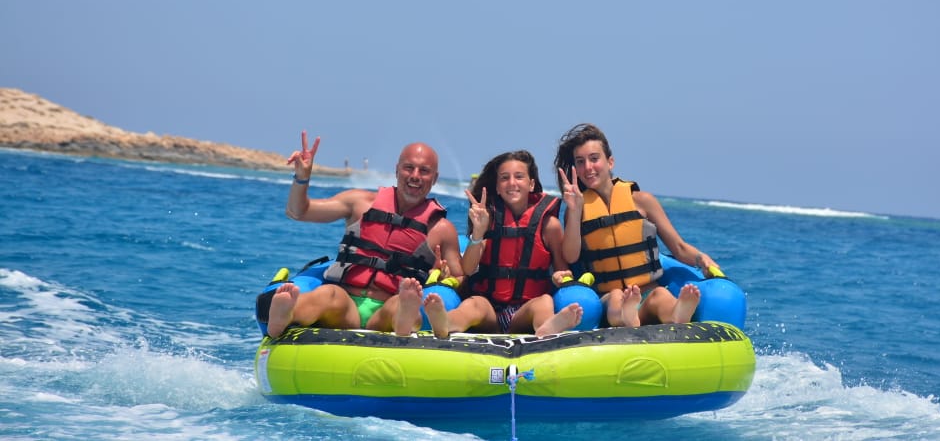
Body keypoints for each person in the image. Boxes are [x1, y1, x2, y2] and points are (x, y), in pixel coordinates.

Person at [265, 131, 464, 338]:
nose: (415, 175)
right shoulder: (360, 202)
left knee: (400, 304)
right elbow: (298, 212)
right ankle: (285, 315)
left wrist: (444, 275)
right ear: (397, 170)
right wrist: (302, 178)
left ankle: (404, 321)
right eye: (409, 168)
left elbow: (459, 277)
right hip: (346, 304)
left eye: (424, 171)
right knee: (328, 295)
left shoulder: (442, 229)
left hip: (389, 306)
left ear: (435, 178)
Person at [554, 123, 720, 328]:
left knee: (660, 295)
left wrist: (700, 258)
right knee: (616, 297)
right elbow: (571, 256)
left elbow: (678, 247)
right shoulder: (576, 207)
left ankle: (678, 313)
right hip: (608, 294)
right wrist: (576, 209)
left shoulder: (642, 201)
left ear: (610, 162)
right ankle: (628, 316)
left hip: (647, 288)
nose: (588, 167)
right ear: (576, 170)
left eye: (594, 159)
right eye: (580, 162)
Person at [422, 150, 584, 338]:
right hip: (490, 309)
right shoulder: (488, 220)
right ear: (497, 187)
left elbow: (561, 269)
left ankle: (546, 328)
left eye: (519, 177)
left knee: (544, 302)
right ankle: (445, 323)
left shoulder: (550, 226)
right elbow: (467, 268)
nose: (512, 183)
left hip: (524, 312)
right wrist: (478, 232)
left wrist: (560, 276)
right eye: (504, 178)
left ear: (531, 184)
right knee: (474, 304)